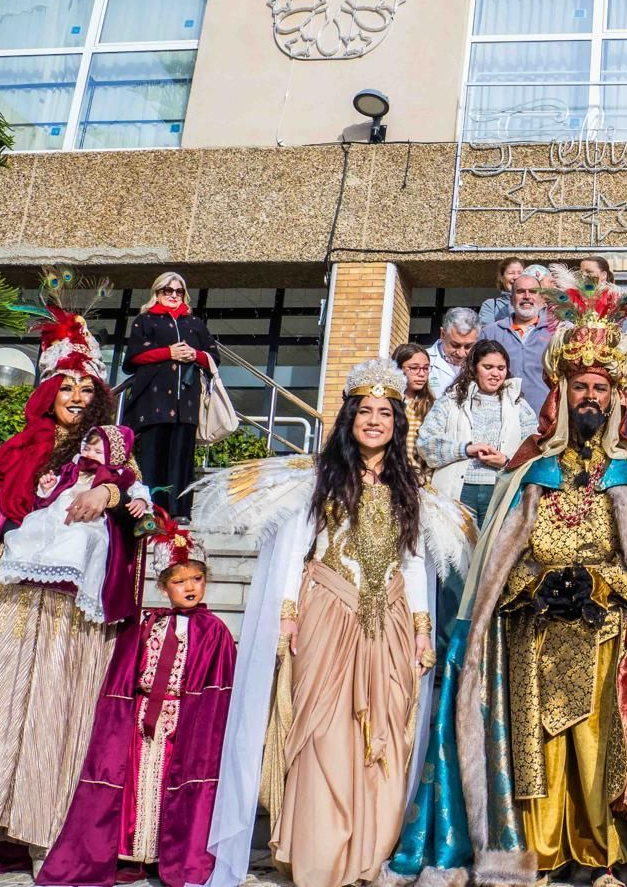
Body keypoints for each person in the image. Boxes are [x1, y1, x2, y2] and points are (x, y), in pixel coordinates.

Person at [391, 280, 627, 887]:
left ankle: (603, 855)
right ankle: (539, 854)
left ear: (616, 396)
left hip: (608, 632)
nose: (591, 396)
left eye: (601, 387)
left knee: (602, 747)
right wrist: (530, 587)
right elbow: (501, 555)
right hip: (534, 628)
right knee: (536, 748)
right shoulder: (529, 466)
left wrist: (604, 586)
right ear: (563, 394)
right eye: (581, 387)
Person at [196, 358, 470, 887]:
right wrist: (288, 617)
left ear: (397, 423)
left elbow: (412, 562)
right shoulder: (317, 478)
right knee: (321, 732)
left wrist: (419, 629)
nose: (375, 421)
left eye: (385, 413)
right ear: (349, 419)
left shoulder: (411, 487)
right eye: (365, 411)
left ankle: (367, 856)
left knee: (385, 736)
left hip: (388, 620)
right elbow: (297, 550)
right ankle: (319, 855)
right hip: (326, 610)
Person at [0, 302, 137, 854]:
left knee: (53, 710)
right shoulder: (17, 450)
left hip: (70, 610)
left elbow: (135, 490)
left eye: (87, 390)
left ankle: (43, 830)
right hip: (10, 600)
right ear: (48, 394)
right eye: (66, 388)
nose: (76, 399)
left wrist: (107, 492)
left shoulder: (109, 448)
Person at [38, 512, 236, 887]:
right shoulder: (149, 624)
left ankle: (169, 854)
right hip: (144, 717)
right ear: (164, 587)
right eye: (180, 581)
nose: (191, 586)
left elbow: (217, 689)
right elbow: (128, 671)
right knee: (139, 782)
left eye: (197, 578)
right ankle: (135, 852)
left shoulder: (216, 632)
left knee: (169, 786)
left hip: (183, 719)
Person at [419, 338, 537, 637]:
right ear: (474, 368)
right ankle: (450, 660)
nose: (495, 373)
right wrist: (466, 448)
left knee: (496, 573)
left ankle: (486, 654)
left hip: (500, 497)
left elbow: (535, 451)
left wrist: (505, 460)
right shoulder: (451, 402)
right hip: (458, 498)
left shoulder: (518, 405)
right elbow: (426, 444)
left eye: (501, 367)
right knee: (455, 577)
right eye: (488, 367)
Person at [0, 424, 152, 622]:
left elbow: (138, 490)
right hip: (56, 514)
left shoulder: (120, 475)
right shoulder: (72, 468)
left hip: (88, 522)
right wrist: (47, 487)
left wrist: (140, 501)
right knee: (30, 528)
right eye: (87, 448)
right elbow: (49, 495)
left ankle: (69, 573)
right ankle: (29, 567)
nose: (90, 454)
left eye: (98, 451)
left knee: (79, 537)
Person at [123, 272, 219, 519]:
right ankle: (152, 508)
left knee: (181, 457)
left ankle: (180, 511)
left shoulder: (194, 324)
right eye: (168, 290)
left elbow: (213, 357)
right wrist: (169, 353)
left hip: (185, 401)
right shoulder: (144, 321)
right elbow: (134, 357)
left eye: (178, 291)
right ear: (157, 293)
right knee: (153, 455)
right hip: (154, 401)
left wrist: (194, 355)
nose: (174, 295)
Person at [482, 273, 556, 418]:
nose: (527, 296)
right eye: (520, 291)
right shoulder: (490, 333)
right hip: (500, 419)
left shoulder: (556, 332)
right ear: (511, 299)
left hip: (545, 421)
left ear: (542, 298)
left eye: (533, 292)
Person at [392, 342, 434, 480]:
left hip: (418, 479)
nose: (421, 374)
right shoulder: (386, 403)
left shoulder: (431, 406)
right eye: (414, 368)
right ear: (398, 368)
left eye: (426, 368)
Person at [426, 306, 481, 399]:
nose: (461, 353)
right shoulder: (422, 361)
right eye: (455, 345)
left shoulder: (482, 364)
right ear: (442, 334)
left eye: (468, 346)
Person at [478, 257, 525, 328]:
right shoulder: (491, 305)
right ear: (502, 278)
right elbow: (487, 332)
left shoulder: (532, 302)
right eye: (511, 273)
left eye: (519, 273)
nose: (516, 277)